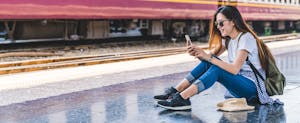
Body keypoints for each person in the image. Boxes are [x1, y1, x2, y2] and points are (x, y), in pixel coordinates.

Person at [154, 6, 281, 111]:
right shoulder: (229, 41)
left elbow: (234, 69)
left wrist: (208, 57)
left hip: (253, 89)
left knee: (216, 67)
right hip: (240, 84)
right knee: (210, 63)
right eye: (217, 24)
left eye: (221, 23)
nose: (218, 27)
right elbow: (208, 62)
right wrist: (198, 54)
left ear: (233, 21)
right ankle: (176, 91)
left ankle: (183, 98)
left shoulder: (246, 38)